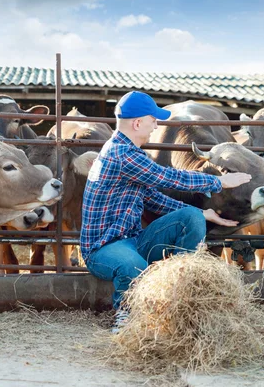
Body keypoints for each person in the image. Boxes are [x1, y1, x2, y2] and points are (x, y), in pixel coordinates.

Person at [79, 91, 252, 333]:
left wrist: (203, 214)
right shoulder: (121, 154)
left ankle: (181, 292)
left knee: (191, 216)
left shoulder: (133, 154)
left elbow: (153, 198)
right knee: (134, 266)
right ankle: (125, 316)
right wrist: (219, 182)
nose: (156, 126)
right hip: (104, 249)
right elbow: (168, 177)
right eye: (153, 120)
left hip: (132, 240)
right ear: (137, 123)